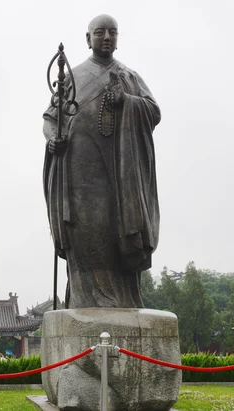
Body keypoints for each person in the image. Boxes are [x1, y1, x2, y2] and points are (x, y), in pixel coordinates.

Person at [43, 14, 160, 309]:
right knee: (84, 232)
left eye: (112, 32)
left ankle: (125, 301)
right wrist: (52, 139)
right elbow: (50, 118)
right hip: (79, 171)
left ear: (118, 39)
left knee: (119, 228)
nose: (106, 37)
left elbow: (153, 111)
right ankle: (84, 301)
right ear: (88, 38)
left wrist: (126, 101)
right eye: (100, 32)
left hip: (121, 172)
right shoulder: (72, 76)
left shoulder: (129, 77)